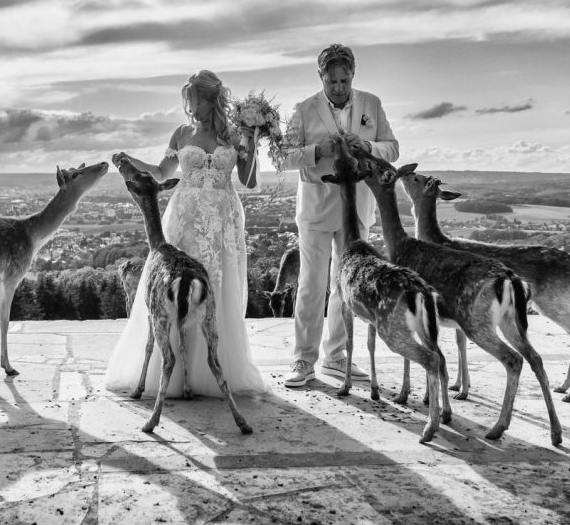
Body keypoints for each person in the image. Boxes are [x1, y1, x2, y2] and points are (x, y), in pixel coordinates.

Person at [106, 69, 269, 397]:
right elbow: (161, 171)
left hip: (223, 220)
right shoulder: (181, 133)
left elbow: (249, 181)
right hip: (185, 217)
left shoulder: (235, 135)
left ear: (212, 101)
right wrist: (129, 160)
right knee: (176, 286)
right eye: (188, 100)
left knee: (219, 287)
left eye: (195, 100)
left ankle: (212, 372)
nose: (190, 107)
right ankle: (174, 374)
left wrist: (253, 141)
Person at [278, 44, 399, 388]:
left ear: (353, 76)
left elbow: (392, 147)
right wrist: (319, 151)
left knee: (345, 288)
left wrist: (368, 148)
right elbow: (284, 157)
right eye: (332, 81)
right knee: (311, 285)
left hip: (356, 208)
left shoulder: (372, 104)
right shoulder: (303, 109)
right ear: (321, 77)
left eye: (345, 81)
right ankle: (303, 358)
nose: (339, 88)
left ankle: (336, 355)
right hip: (316, 208)